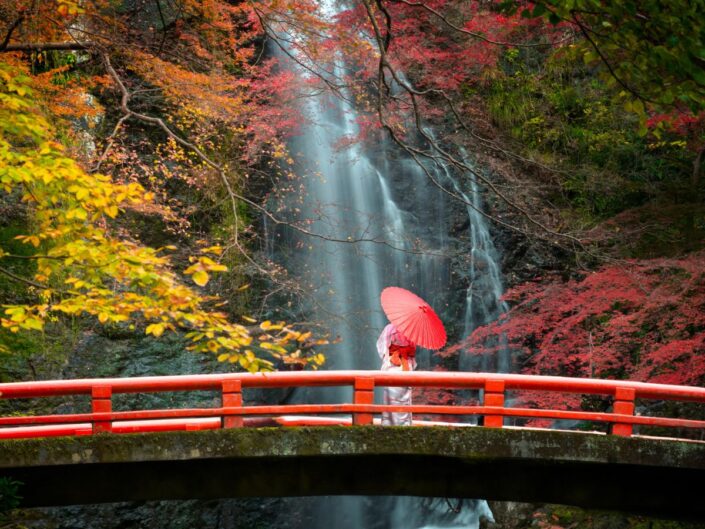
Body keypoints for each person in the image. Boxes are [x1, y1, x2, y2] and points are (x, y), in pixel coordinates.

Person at [376, 323, 417, 426]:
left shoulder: (389, 328)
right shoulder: (412, 332)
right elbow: (412, 353)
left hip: (392, 366)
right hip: (405, 366)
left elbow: (382, 347)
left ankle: (388, 425)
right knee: (404, 398)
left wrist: (388, 356)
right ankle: (405, 425)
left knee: (390, 399)